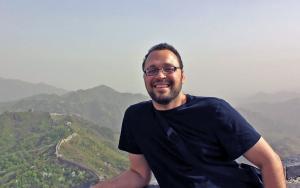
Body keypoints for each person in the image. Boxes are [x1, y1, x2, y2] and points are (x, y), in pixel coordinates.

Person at [92, 43, 286, 188]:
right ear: (145, 77)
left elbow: (269, 161)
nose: (160, 75)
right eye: (152, 70)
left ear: (182, 75)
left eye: (169, 68)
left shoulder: (214, 111)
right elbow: (138, 173)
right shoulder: (136, 118)